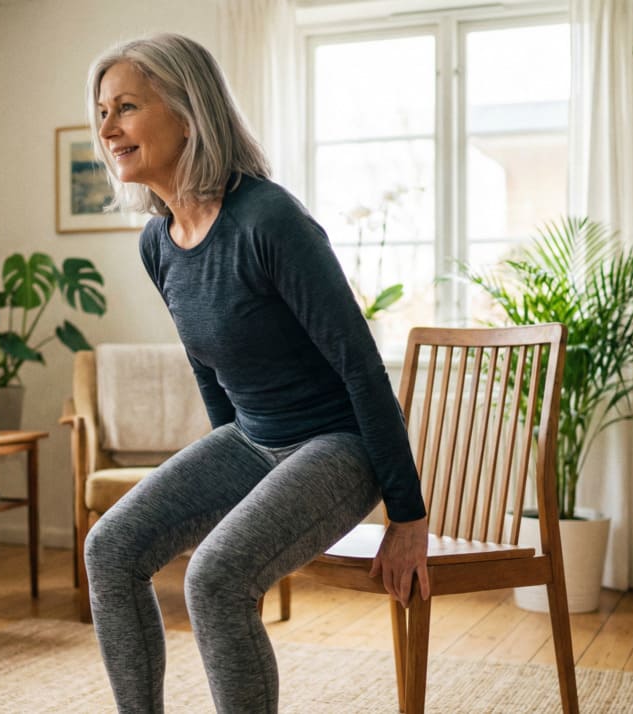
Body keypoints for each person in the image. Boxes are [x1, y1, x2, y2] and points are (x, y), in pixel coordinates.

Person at [83, 33, 430, 713]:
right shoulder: (158, 243)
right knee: (110, 548)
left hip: (340, 446)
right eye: (102, 112)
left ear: (188, 112)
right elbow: (208, 369)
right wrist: (231, 479)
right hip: (253, 440)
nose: (108, 127)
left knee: (214, 579)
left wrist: (408, 514)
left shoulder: (268, 219)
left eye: (126, 106)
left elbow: (359, 366)